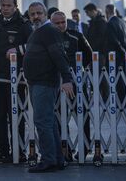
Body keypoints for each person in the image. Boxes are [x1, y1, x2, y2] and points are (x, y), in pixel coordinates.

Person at [23, 2, 74, 173]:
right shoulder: (39, 31)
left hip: (44, 83)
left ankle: (48, 160)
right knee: (49, 122)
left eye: (39, 13)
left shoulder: (49, 31)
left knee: (43, 122)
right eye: (32, 14)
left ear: (45, 14)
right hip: (38, 82)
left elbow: (59, 55)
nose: (35, 16)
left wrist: (67, 79)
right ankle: (56, 159)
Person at [0, 0, 32, 164]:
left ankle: (19, 152)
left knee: (16, 118)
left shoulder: (23, 24)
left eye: (8, 5)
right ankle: (2, 151)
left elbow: (33, 44)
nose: (5, 8)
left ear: (15, 6)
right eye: (3, 5)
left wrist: (17, 50)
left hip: (16, 80)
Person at [50, 11, 92, 158]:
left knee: (82, 114)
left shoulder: (77, 36)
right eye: (57, 23)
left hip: (76, 82)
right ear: (51, 23)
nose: (61, 25)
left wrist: (78, 71)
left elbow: (89, 54)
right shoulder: (47, 37)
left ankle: (85, 147)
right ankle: (65, 148)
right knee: (60, 116)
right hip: (57, 83)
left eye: (63, 22)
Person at [104, 4, 126, 69]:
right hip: (123, 56)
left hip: (113, 56)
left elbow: (114, 40)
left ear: (107, 12)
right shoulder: (123, 22)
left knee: (112, 77)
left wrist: (122, 50)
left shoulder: (110, 23)